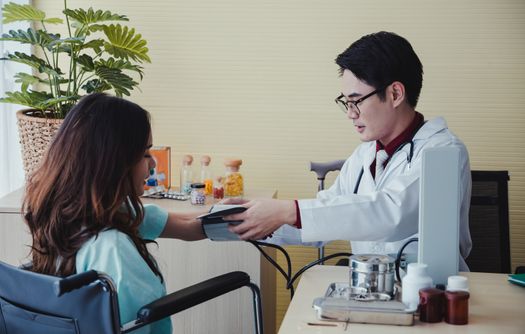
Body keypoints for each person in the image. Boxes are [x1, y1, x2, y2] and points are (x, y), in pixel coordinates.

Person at [225, 31, 472, 270]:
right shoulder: (364, 156)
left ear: (395, 93)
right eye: (346, 102)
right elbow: (325, 216)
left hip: (430, 296)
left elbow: (391, 212)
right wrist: (247, 221)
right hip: (370, 290)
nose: (351, 113)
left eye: (357, 101)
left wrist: (288, 210)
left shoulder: (444, 152)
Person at [23, 93, 206, 334]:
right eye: (146, 154)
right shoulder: (114, 249)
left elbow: (184, 225)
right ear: (115, 161)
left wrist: (224, 215)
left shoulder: (66, 215)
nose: (153, 165)